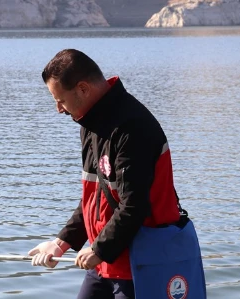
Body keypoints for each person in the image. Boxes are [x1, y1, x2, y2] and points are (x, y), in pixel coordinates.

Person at [27, 49, 202, 299]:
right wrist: (61, 243)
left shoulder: (132, 127)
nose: (58, 109)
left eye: (61, 100)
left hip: (141, 266)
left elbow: (133, 206)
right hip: (104, 263)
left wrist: (99, 248)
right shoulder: (90, 124)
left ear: (83, 89)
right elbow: (93, 199)